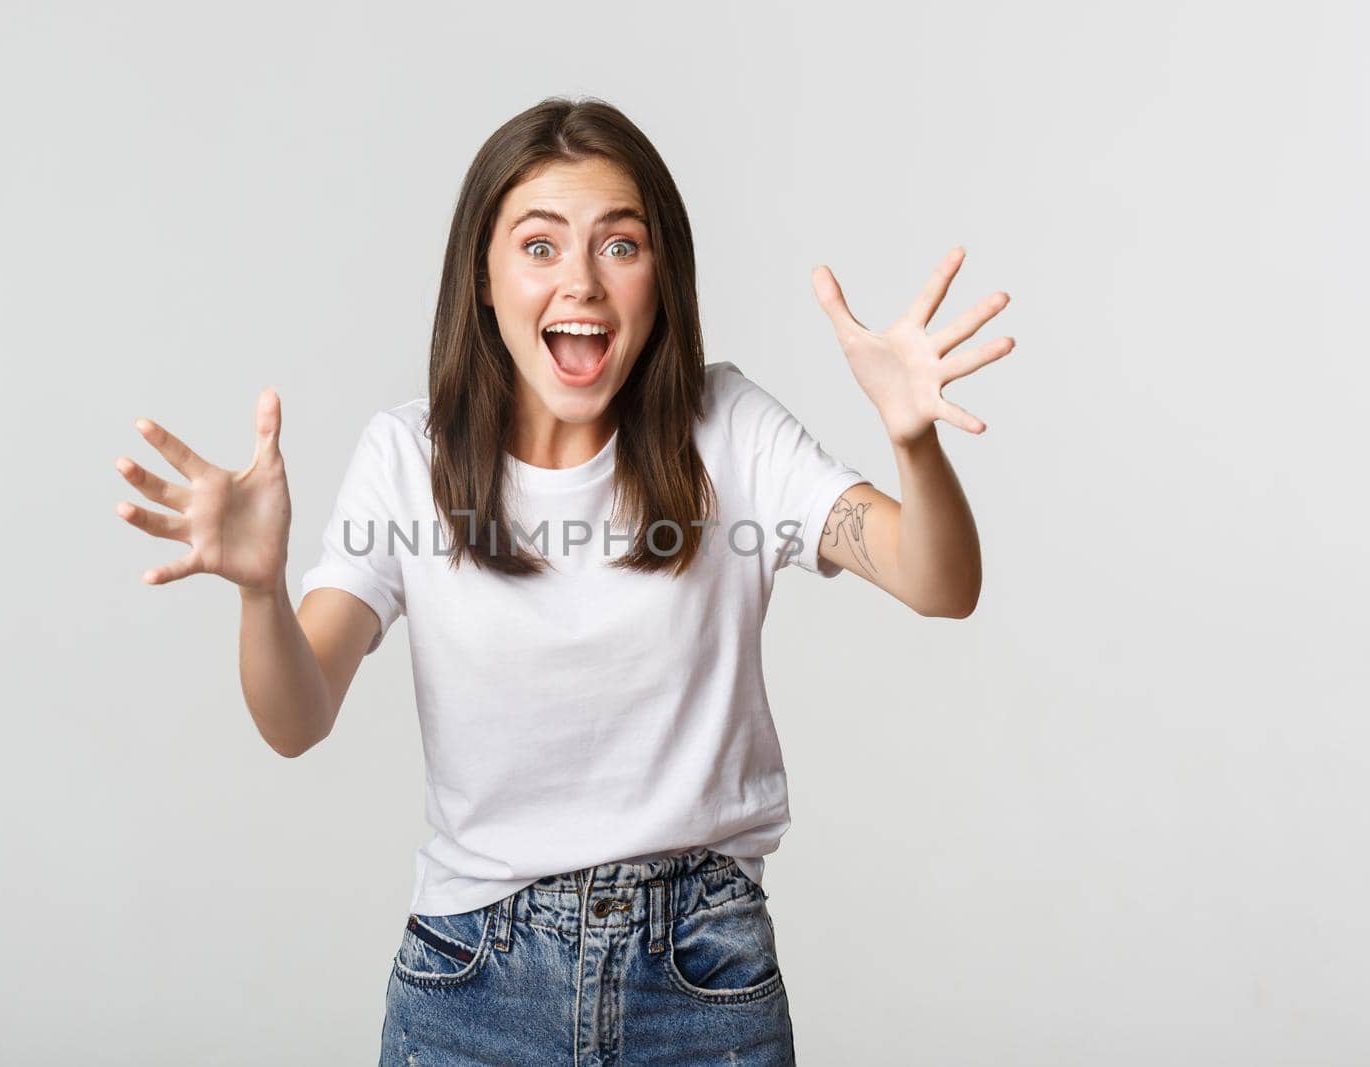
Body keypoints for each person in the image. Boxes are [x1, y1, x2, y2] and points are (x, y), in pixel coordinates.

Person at [114, 96, 1010, 1066]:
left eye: (619, 246)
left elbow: (936, 580)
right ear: (484, 281)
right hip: (472, 990)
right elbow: (296, 715)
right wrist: (258, 589)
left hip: (703, 982)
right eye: (539, 246)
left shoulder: (730, 430)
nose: (579, 280)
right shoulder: (408, 458)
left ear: (661, 278)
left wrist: (912, 443)